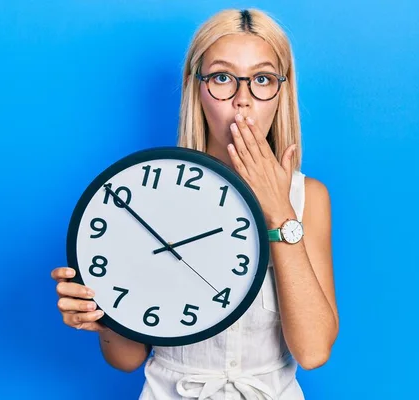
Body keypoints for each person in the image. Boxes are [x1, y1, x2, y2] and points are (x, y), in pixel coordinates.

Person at [51, 8, 339, 400]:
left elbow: (313, 350)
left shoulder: (310, 198)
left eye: (261, 79)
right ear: (195, 88)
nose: (242, 101)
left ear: (281, 91)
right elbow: (127, 359)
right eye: (222, 78)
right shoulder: (145, 191)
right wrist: (101, 317)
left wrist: (279, 211)